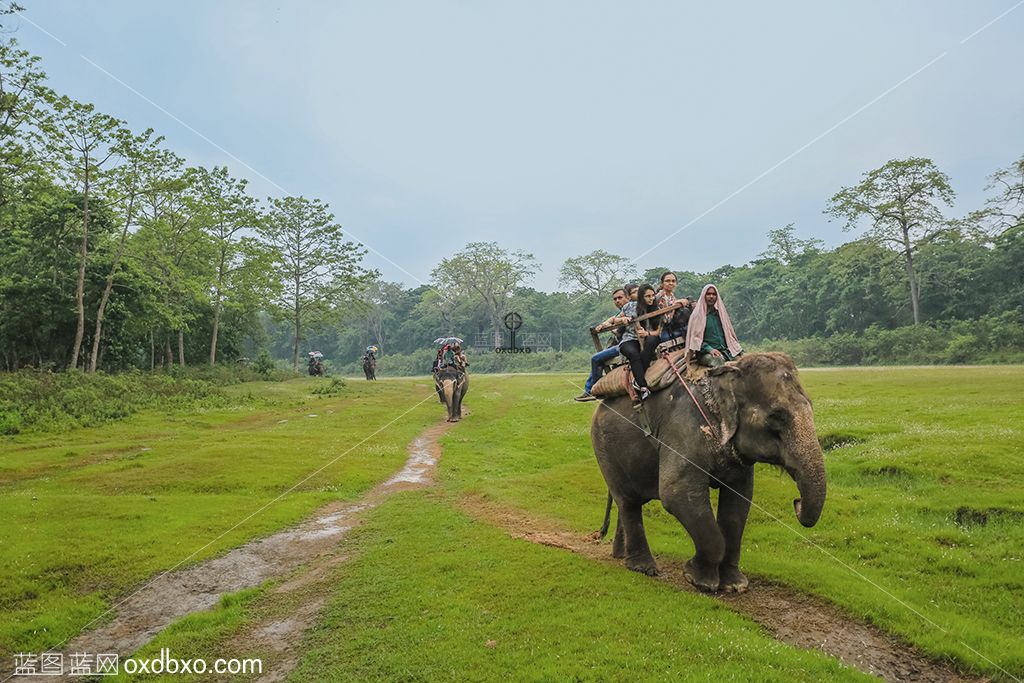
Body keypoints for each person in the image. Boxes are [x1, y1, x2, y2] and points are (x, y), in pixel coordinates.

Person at [575, 287, 631, 402]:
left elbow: (618, 323)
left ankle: (593, 390)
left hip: (626, 345)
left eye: (620, 298)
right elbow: (613, 320)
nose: (617, 301)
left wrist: (612, 326)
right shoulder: (621, 312)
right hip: (621, 343)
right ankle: (590, 390)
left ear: (628, 298)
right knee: (599, 358)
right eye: (615, 299)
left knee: (596, 358)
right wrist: (604, 324)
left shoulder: (631, 309)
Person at [618, 283, 661, 401]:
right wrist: (622, 319)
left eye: (653, 295)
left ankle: (637, 379)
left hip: (646, 338)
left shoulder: (655, 308)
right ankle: (642, 386)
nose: (651, 298)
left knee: (654, 340)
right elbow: (615, 319)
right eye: (648, 296)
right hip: (630, 339)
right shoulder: (629, 306)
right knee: (633, 354)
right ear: (641, 296)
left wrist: (647, 333)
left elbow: (657, 331)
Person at [685, 284, 743, 367]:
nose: (711, 296)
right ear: (704, 296)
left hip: (724, 351)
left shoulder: (720, 315)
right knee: (718, 361)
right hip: (706, 354)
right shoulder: (697, 316)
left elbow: (729, 335)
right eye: (708, 294)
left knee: (745, 361)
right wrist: (710, 349)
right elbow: (695, 339)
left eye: (714, 294)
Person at [654, 271, 691, 343]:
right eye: (667, 281)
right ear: (662, 283)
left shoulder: (672, 296)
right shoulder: (659, 297)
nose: (671, 283)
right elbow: (666, 320)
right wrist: (675, 304)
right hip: (661, 329)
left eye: (673, 281)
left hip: (672, 327)